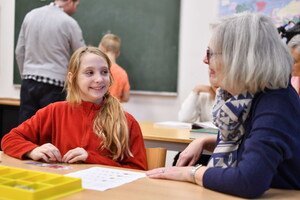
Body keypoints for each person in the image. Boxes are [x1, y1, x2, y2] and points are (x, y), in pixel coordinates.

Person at [146, 12, 300, 198]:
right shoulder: (249, 97)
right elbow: (252, 142)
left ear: (240, 58)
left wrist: (191, 173)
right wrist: (204, 140)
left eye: (210, 53)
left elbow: (248, 182)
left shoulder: (276, 103)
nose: (205, 60)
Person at [1, 46, 147, 170]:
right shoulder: (54, 111)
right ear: (72, 78)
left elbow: (138, 171)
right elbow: (10, 139)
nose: (99, 79)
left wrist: (91, 158)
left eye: (104, 72)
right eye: (89, 72)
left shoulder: (126, 121)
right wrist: (32, 151)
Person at [15, 0, 85, 124]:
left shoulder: (30, 15)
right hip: (55, 85)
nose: (76, 10)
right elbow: (82, 55)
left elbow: (19, 51)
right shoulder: (69, 22)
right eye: (77, 5)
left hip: (29, 81)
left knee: (25, 129)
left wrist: (26, 75)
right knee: (51, 130)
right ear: (69, 2)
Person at [99, 34, 130, 102]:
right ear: (118, 53)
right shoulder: (122, 73)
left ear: (102, 49)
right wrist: (114, 101)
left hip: (98, 109)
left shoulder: (97, 70)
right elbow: (126, 97)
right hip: (114, 110)